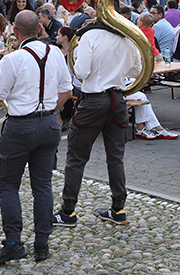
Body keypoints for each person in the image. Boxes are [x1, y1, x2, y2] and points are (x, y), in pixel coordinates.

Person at [0, 11, 73, 266]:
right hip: (49, 124)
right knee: (43, 185)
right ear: (39, 29)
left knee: (8, 185)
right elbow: (67, 91)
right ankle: (42, 243)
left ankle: (13, 243)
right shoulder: (56, 52)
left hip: (20, 126)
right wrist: (48, 109)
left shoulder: (13, 60)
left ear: (16, 32)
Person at [54, 13, 144, 227]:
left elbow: (83, 72)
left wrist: (78, 59)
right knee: (115, 158)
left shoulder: (90, 36)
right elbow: (137, 70)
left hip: (93, 100)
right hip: (118, 99)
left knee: (76, 158)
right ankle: (118, 209)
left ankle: (68, 212)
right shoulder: (126, 37)